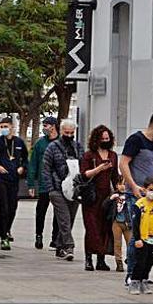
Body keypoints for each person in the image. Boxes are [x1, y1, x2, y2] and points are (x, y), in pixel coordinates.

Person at [119, 112, 153, 283]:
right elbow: (123, 163)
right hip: (137, 195)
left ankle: (142, 274)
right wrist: (133, 186)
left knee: (150, 235)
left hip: (151, 195)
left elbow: (150, 167)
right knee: (138, 235)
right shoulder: (136, 140)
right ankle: (131, 275)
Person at [0, 117, 28, 251]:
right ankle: (3, 237)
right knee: (3, 207)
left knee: (12, 207)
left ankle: (8, 229)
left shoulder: (19, 142)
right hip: (0, 178)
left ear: (11, 127)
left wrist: (22, 167)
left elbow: (26, 159)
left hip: (14, 179)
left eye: (5, 126)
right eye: (1, 127)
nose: (3, 129)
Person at [41, 119, 83, 260]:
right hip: (57, 188)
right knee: (64, 218)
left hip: (74, 188)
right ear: (61, 131)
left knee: (69, 219)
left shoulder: (77, 147)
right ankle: (69, 246)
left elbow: (83, 166)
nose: (69, 135)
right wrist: (51, 188)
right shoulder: (52, 147)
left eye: (72, 133)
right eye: (67, 132)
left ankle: (59, 245)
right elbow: (46, 168)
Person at [81, 124, 120, 271]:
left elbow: (115, 176)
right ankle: (88, 258)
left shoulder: (113, 155)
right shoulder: (89, 155)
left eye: (107, 138)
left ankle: (101, 259)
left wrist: (118, 191)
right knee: (92, 227)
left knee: (105, 227)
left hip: (106, 197)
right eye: (102, 138)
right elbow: (84, 174)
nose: (105, 140)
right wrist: (99, 169)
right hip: (91, 196)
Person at [27, 116, 60, 250]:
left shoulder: (61, 142)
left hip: (58, 183)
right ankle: (39, 235)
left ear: (53, 126)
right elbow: (33, 163)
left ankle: (55, 238)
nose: (44, 128)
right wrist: (30, 184)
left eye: (46, 125)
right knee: (41, 210)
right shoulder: (40, 143)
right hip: (44, 183)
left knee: (58, 212)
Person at [130, 177, 153, 295]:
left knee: (150, 262)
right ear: (144, 190)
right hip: (143, 238)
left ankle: (144, 280)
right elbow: (135, 223)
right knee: (141, 261)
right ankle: (134, 281)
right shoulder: (139, 204)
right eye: (150, 189)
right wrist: (137, 238)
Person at [106, 179, 132, 272]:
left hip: (128, 223)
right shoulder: (115, 196)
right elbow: (104, 207)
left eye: (125, 184)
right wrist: (111, 199)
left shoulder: (130, 196)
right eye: (120, 184)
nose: (123, 186)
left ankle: (129, 259)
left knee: (130, 243)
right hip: (117, 222)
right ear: (116, 185)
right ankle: (119, 262)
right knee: (117, 243)